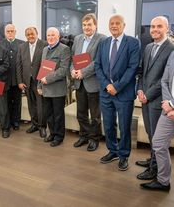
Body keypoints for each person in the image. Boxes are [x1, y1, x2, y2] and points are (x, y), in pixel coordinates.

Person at [140, 17, 174, 195]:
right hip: (168, 109)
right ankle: (162, 180)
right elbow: (165, 80)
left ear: (167, 29)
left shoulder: (171, 48)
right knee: (158, 143)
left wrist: (173, 104)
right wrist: (169, 104)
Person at [94, 14, 140, 171]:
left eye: (117, 23)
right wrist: (107, 85)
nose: (114, 26)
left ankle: (123, 155)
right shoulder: (104, 43)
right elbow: (97, 65)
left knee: (125, 126)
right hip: (106, 93)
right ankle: (112, 151)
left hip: (124, 93)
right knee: (108, 125)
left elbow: (133, 68)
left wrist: (117, 86)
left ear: (124, 25)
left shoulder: (133, 43)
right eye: (111, 23)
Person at [136, 16, 174, 180]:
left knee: (156, 136)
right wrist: (139, 90)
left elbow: (166, 79)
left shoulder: (173, 49)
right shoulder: (148, 47)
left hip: (158, 101)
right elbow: (142, 72)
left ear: (167, 28)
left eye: (159, 26)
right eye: (152, 26)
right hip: (145, 98)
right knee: (149, 132)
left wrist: (148, 94)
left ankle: (154, 169)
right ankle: (153, 159)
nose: (154, 29)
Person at [71, 13, 106, 151]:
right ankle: (84, 135)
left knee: (95, 115)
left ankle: (94, 138)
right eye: (84, 25)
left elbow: (98, 61)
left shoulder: (102, 39)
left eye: (89, 24)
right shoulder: (78, 39)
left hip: (93, 83)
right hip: (79, 83)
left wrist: (83, 72)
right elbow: (73, 58)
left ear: (95, 25)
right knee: (81, 113)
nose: (87, 27)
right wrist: (73, 70)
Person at [37, 27, 70, 147]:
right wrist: (39, 85)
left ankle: (59, 136)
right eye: (48, 35)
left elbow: (63, 70)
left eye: (53, 35)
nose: (50, 37)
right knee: (49, 114)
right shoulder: (45, 49)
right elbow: (42, 68)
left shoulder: (64, 49)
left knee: (58, 114)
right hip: (45, 88)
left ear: (58, 36)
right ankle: (52, 133)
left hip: (57, 88)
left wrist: (48, 79)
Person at [16, 27, 47, 138]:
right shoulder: (22, 47)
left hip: (39, 81)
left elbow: (47, 65)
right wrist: (19, 81)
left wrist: (43, 80)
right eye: (28, 34)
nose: (30, 36)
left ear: (37, 33)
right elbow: (18, 65)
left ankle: (42, 127)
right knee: (31, 104)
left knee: (40, 105)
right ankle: (34, 124)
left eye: (32, 34)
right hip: (27, 81)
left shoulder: (44, 45)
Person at [0, 24, 24, 130]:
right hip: (4, 79)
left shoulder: (22, 44)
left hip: (17, 78)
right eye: (8, 31)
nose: (10, 33)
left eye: (12, 31)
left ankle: (16, 121)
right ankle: (7, 121)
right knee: (6, 102)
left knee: (17, 101)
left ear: (15, 32)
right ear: (5, 33)